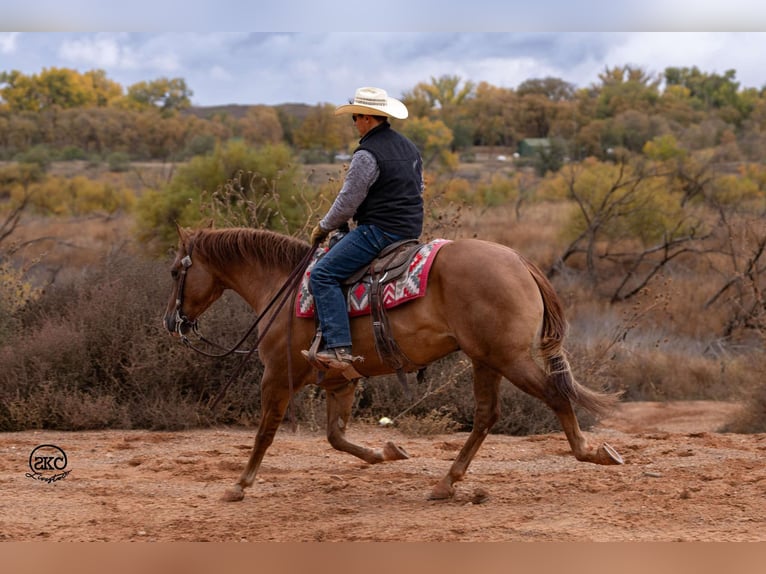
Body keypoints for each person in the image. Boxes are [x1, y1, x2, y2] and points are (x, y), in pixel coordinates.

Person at [305, 86, 424, 370]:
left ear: (368, 118)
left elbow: (347, 202)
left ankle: (338, 347)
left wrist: (323, 227)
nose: (355, 124)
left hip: (379, 231)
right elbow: (419, 188)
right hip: (409, 231)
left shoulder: (366, 154)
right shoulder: (409, 147)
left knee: (322, 275)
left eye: (355, 118)